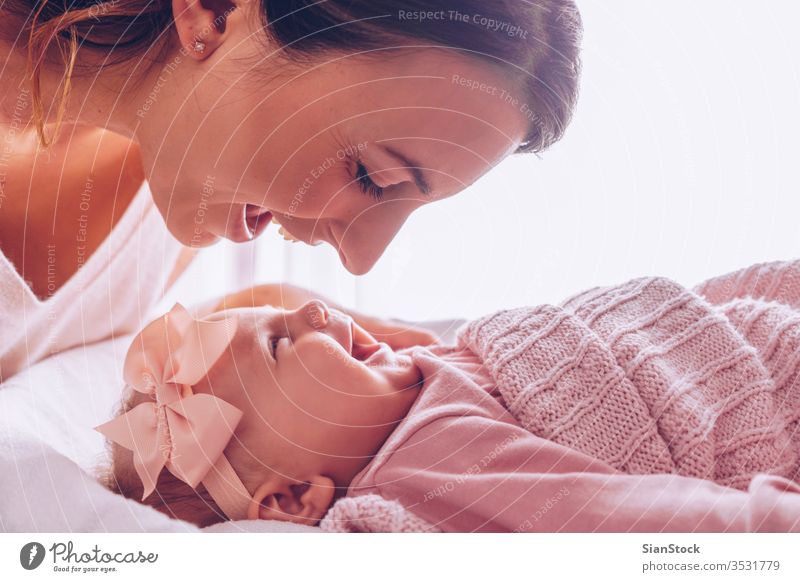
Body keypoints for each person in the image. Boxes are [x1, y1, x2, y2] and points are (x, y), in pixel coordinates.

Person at [0, 1, 583, 380]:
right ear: (216, 12)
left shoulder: (180, 196)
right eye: (370, 176)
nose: (363, 258)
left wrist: (267, 326)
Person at [98, 259, 800, 532]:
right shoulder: (430, 460)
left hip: (723, 324)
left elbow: (288, 299)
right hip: (759, 401)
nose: (315, 315)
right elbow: (627, 519)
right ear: (289, 500)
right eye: (280, 345)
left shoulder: (407, 379)